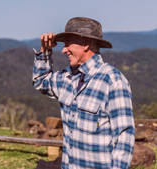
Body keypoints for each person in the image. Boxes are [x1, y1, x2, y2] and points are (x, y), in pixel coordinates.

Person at [32, 17, 135, 169]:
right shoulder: (65, 77)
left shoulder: (113, 80)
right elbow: (40, 82)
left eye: (68, 44)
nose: (63, 49)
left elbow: (124, 135)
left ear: (85, 44)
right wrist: (45, 51)